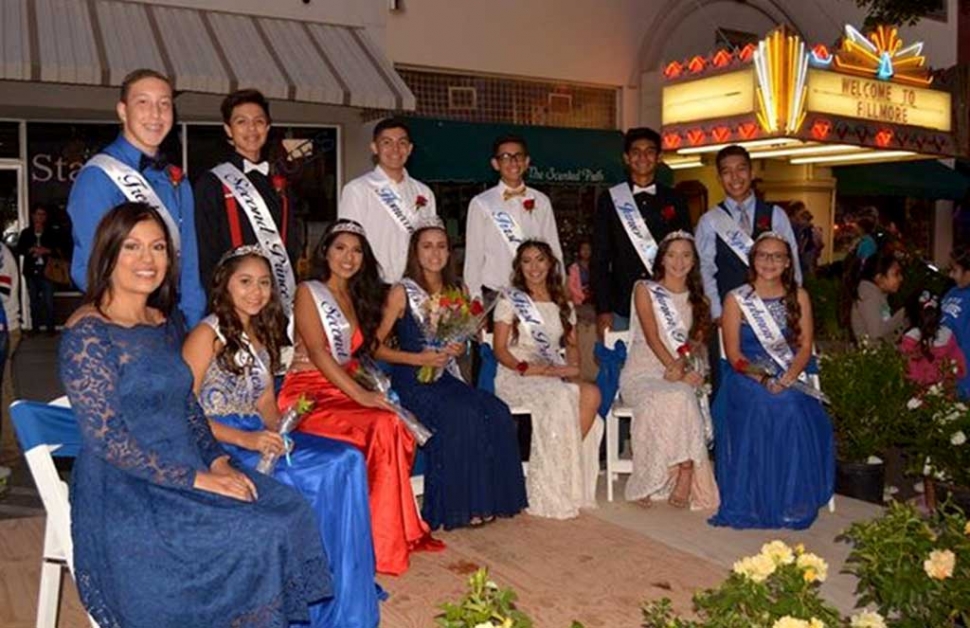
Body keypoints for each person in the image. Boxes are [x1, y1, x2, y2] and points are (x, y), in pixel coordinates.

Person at [58, 202, 330, 626]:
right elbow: (107, 441)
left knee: (289, 508)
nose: (147, 260)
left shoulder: (164, 321)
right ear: (108, 254)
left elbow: (187, 405)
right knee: (257, 534)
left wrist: (218, 460)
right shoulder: (87, 333)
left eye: (158, 247)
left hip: (186, 459)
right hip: (126, 485)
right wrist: (203, 479)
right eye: (132, 247)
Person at [183, 245, 381, 627]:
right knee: (308, 477)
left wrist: (281, 428)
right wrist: (248, 441)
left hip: (257, 435)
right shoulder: (205, 335)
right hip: (218, 445)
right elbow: (183, 413)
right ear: (224, 284)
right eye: (245, 282)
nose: (256, 292)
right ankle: (300, 596)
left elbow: (266, 402)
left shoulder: (259, 334)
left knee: (348, 460)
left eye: (263, 284)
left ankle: (339, 589)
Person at [277, 219, 441, 576]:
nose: (348, 258)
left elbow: (357, 356)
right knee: (380, 422)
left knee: (394, 422)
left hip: (344, 388)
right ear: (326, 252)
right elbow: (320, 353)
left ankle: (390, 532)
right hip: (309, 394)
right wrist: (364, 397)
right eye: (340, 248)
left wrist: (373, 388)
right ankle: (381, 546)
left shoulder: (355, 297)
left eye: (356, 251)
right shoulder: (309, 291)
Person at [374, 220, 528, 530]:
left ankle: (489, 499)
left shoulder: (457, 290)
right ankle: (458, 506)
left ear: (450, 252)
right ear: (415, 252)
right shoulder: (402, 292)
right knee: (460, 415)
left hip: (445, 376)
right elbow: (374, 347)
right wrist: (418, 357)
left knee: (495, 411)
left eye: (441, 246)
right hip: (413, 381)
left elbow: (459, 340)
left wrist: (458, 347)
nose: (435, 253)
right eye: (427, 246)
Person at [709, 232, 834, 530]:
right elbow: (735, 354)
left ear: (788, 262)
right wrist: (764, 379)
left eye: (777, 256)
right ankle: (755, 498)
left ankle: (791, 499)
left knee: (790, 403)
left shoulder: (799, 296)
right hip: (746, 375)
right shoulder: (736, 299)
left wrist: (789, 377)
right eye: (763, 255)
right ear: (753, 259)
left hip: (790, 371)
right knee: (764, 402)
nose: (770, 262)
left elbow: (805, 347)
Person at [67, 68, 205, 327]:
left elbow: (189, 267)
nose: (155, 114)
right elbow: (91, 267)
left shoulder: (177, 181)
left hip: (172, 322)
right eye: (143, 102)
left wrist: (192, 324)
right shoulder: (98, 176)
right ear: (122, 111)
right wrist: (130, 321)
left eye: (164, 104)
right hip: (120, 323)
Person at [492, 240, 603, 519]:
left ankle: (562, 469)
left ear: (550, 263)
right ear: (519, 267)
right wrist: (533, 369)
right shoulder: (510, 300)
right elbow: (500, 350)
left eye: (540, 259)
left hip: (552, 373)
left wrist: (572, 367)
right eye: (527, 261)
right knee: (561, 397)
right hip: (518, 373)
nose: (534, 267)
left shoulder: (562, 302)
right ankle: (549, 485)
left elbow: (573, 345)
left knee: (591, 394)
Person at [620, 231, 719, 510]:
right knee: (660, 398)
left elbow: (695, 343)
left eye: (686, 255)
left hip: (679, 368)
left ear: (694, 261)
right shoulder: (644, 288)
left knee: (681, 396)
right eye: (672, 254)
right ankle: (648, 479)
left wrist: (685, 367)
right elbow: (652, 336)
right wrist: (673, 367)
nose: (679, 261)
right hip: (642, 370)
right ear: (662, 259)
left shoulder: (701, 300)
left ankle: (685, 469)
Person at [193, 89, 301, 302]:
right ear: (228, 130)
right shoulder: (212, 183)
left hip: (275, 297)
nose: (252, 129)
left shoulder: (279, 182)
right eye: (241, 121)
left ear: (267, 127)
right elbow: (204, 252)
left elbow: (291, 244)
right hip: (232, 298)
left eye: (259, 121)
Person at [591, 127, 691, 336]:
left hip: (668, 300)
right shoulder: (609, 200)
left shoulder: (676, 199)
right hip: (622, 304)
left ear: (659, 157)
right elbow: (600, 258)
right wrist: (603, 309)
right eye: (636, 152)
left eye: (649, 151)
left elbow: (689, 253)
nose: (642, 157)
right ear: (627, 158)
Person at [696, 145, 802, 323]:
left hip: (774, 315)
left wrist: (794, 305)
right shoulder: (709, 221)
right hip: (728, 315)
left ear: (751, 173)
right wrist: (717, 312)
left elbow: (793, 265)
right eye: (727, 172)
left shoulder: (775, 214)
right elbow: (704, 270)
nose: (735, 177)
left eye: (741, 169)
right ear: (719, 179)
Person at [463, 135, 564, 301]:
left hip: (536, 294)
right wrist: (475, 298)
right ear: (495, 164)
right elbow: (474, 255)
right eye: (505, 157)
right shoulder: (481, 203)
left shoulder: (542, 201)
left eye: (518, 156)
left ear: (527, 161)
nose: (513, 162)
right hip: (496, 293)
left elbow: (553, 248)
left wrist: (560, 288)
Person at [338, 118, 437, 284]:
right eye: (387, 142)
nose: (395, 149)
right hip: (372, 284)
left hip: (415, 284)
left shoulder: (424, 192)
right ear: (374, 148)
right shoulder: (357, 189)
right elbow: (348, 241)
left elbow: (430, 241)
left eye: (402, 143)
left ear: (410, 148)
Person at [899, 290, 966, 387]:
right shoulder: (947, 336)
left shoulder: (910, 339)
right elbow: (960, 368)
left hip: (916, 396)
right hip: (942, 394)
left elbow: (909, 374)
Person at [850, 249, 907, 343]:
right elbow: (876, 332)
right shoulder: (869, 295)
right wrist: (902, 314)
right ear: (879, 278)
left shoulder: (877, 295)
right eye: (896, 274)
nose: (901, 278)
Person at [17, 205, 58, 333]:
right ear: (33, 216)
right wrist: (31, 250)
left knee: (49, 301)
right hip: (31, 270)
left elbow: (59, 250)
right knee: (33, 301)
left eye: (43, 214)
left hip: (47, 271)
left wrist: (46, 251)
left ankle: (50, 328)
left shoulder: (51, 232)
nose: (40, 217)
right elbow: (20, 249)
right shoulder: (26, 232)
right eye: (38, 214)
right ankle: (35, 328)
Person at [0, 241, 20, 468]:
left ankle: (9, 449)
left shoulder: (1, 254)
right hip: (6, 329)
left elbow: (2, 292)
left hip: (5, 329)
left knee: (4, 391)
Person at [942, 245, 970, 398]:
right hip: (947, 370)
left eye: (955, 270)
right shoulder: (952, 292)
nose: (951, 275)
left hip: (964, 378)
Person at [567, 239, 593, 306]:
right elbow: (571, 286)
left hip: (594, 301)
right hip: (579, 301)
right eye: (583, 249)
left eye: (588, 249)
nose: (586, 251)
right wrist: (582, 296)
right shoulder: (574, 267)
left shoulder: (595, 266)